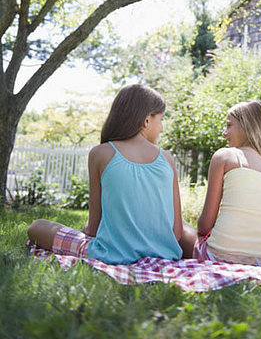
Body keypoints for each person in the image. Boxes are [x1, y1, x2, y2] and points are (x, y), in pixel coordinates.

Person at [27, 84, 183, 264]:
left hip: (111, 255)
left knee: (37, 227)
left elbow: (93, 228)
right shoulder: (167, 159)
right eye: (161, 119)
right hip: (164, 255)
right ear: (147, 120)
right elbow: (176, 232)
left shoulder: (101, 153)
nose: (162, 128)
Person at [182, 99, 261, 268]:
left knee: (181, 227)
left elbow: (204, 226)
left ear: (246, 126)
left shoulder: (224, 157)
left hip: (217, 258)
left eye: (229, 126)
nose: (225, 133)